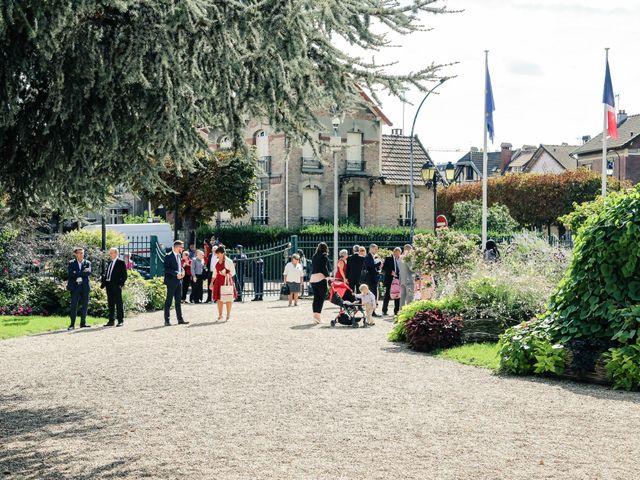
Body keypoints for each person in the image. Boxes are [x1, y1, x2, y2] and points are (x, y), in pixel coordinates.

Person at [163, 240, 189, 326]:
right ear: (177, 247)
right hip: (171, 281)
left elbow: (180, 267)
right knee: (169, 301)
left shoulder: (179, 255)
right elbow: (166, 268)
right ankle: (167, 320)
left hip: (179, 282)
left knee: (178, 301)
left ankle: (180, 319)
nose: (183, 248)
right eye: (181, 247)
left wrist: (183, 271)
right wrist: (176, 273)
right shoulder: (168, 256)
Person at [102, 247, 128, 327]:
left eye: (111, 253)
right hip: (109, 285)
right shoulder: (110, 262)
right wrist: (104, 282)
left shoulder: (121, 262)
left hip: (116, 286)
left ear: (116, 253)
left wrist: (119, 284)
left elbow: (124, 276)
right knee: (110, 303)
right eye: (110, 253)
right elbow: (108, 273)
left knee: (118, 303)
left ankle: (120, 321)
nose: (110, 254)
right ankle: (111, 320)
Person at [67, 247, 92, 330]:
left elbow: (88, 273)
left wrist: (77, 273)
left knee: (85, 305)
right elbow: (71, 274)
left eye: (82, 253)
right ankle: (72, 324)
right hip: (75, 287)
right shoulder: (71, 263)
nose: (82, 254)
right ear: (76, 254)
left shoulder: (87, 262)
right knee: (74, 306)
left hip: (85, 287)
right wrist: (82, 273)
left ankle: (83, 323)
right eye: (80, 253)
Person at [210, 245, 236, 321]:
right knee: (219, 299)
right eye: (217, 253)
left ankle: (228, 315)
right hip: (218, 281)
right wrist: (212, 283)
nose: (217, 255)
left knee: (228, 298)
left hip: (227, 281)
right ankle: (220, 315)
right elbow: (214, 273)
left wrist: (226, 274)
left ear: (222, 253)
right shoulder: (217, 261)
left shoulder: (229, 261)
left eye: (218, 253)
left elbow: (233, 272)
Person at [310, 242, 331, 324]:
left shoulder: (314, 256)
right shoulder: (324, 256)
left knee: (316, 298)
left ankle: (315, 316)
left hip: (313, 278)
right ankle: (318, 317)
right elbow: (324, 268)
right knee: (321, 298)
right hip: (320, 278)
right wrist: (328, 277)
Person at [382, 247, 402, 317]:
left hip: (398, 279)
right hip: (389, 279)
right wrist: (391, 272)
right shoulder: (388, 259)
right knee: (387, 294)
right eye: (396, 253)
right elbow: (384, 268)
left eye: (398, 253)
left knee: (397, 295)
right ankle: (384, 310)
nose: (397, 255)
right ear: (394, 252)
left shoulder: (401, 259)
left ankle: (396, 311)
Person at [364, 243, 381, 317]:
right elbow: (370, 266)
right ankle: (371, 312)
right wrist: (378, 264)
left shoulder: (373, 256)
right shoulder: (368, 256)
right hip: (370, 279)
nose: (377, 250)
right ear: (371, 249)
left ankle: (373, 311)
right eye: (375, 249)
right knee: (372, 295)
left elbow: (374, 267)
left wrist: (378, 268)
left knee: (374, 295)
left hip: (374, 278)